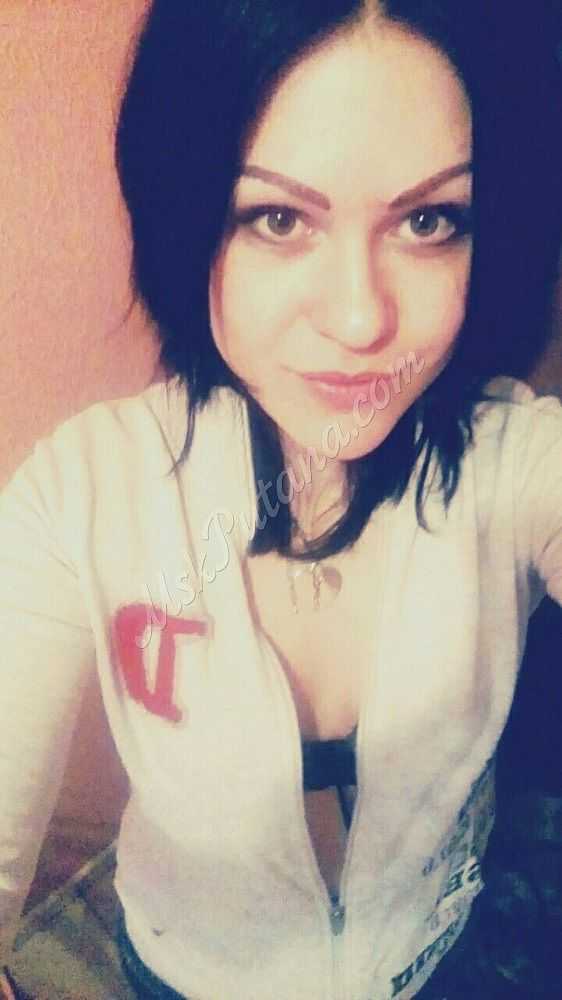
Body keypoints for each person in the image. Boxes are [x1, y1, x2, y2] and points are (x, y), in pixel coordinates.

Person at [1, 1, 561, 997]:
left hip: (430, 959)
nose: (360, 318)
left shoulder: (514, 459)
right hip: (180, 969)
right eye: (278, 218)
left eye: (428, 220)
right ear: (189, 217)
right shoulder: (80, 495)